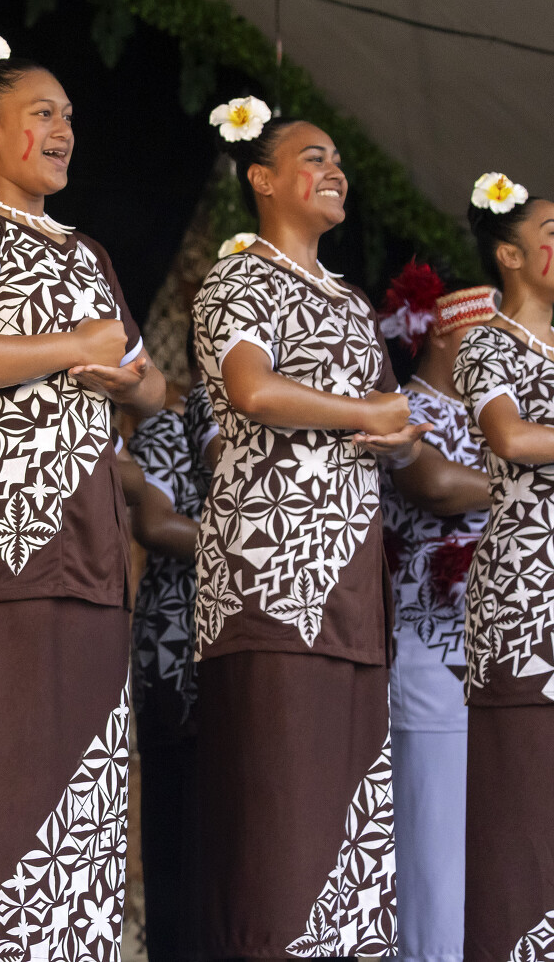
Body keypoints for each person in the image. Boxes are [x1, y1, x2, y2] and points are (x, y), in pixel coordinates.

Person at [0, 25, 164, 962]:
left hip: (87, 542)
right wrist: (71, 350)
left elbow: (151, 384)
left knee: (82, 787)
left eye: (68, 116)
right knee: (4, 776)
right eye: (41, 113)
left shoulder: (87, 252)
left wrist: (121, 376)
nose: (62, 131)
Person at [190, 95, 426, 958]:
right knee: (280, 827)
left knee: (347, 820)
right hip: (269, 580)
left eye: (339, 161)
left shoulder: (352, 301)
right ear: (261, 179)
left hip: (350, 587)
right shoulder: (239, 277)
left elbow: (391, 428)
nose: (337, 172)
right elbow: (251, 388)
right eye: (314, 158)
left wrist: (400, 436)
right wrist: (366, 412)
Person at [374, 263, 495, 962]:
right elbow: (437, 484)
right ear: (445, 336)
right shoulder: (402, 407)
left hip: (502, 654)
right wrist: (525, 475)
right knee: (435, 852)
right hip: (429, 651)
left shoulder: (504, 418)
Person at [451, 172, 554, 962]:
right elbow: (510, 438)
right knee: (523, 805)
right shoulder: (488, 342)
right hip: (526, 598)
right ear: (509, 254)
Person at [124, 373, 211, 962]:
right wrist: (252, 550)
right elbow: (153, 524)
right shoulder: (165, 430)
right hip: (175, 644)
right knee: (175, 816)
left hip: (234, 639)